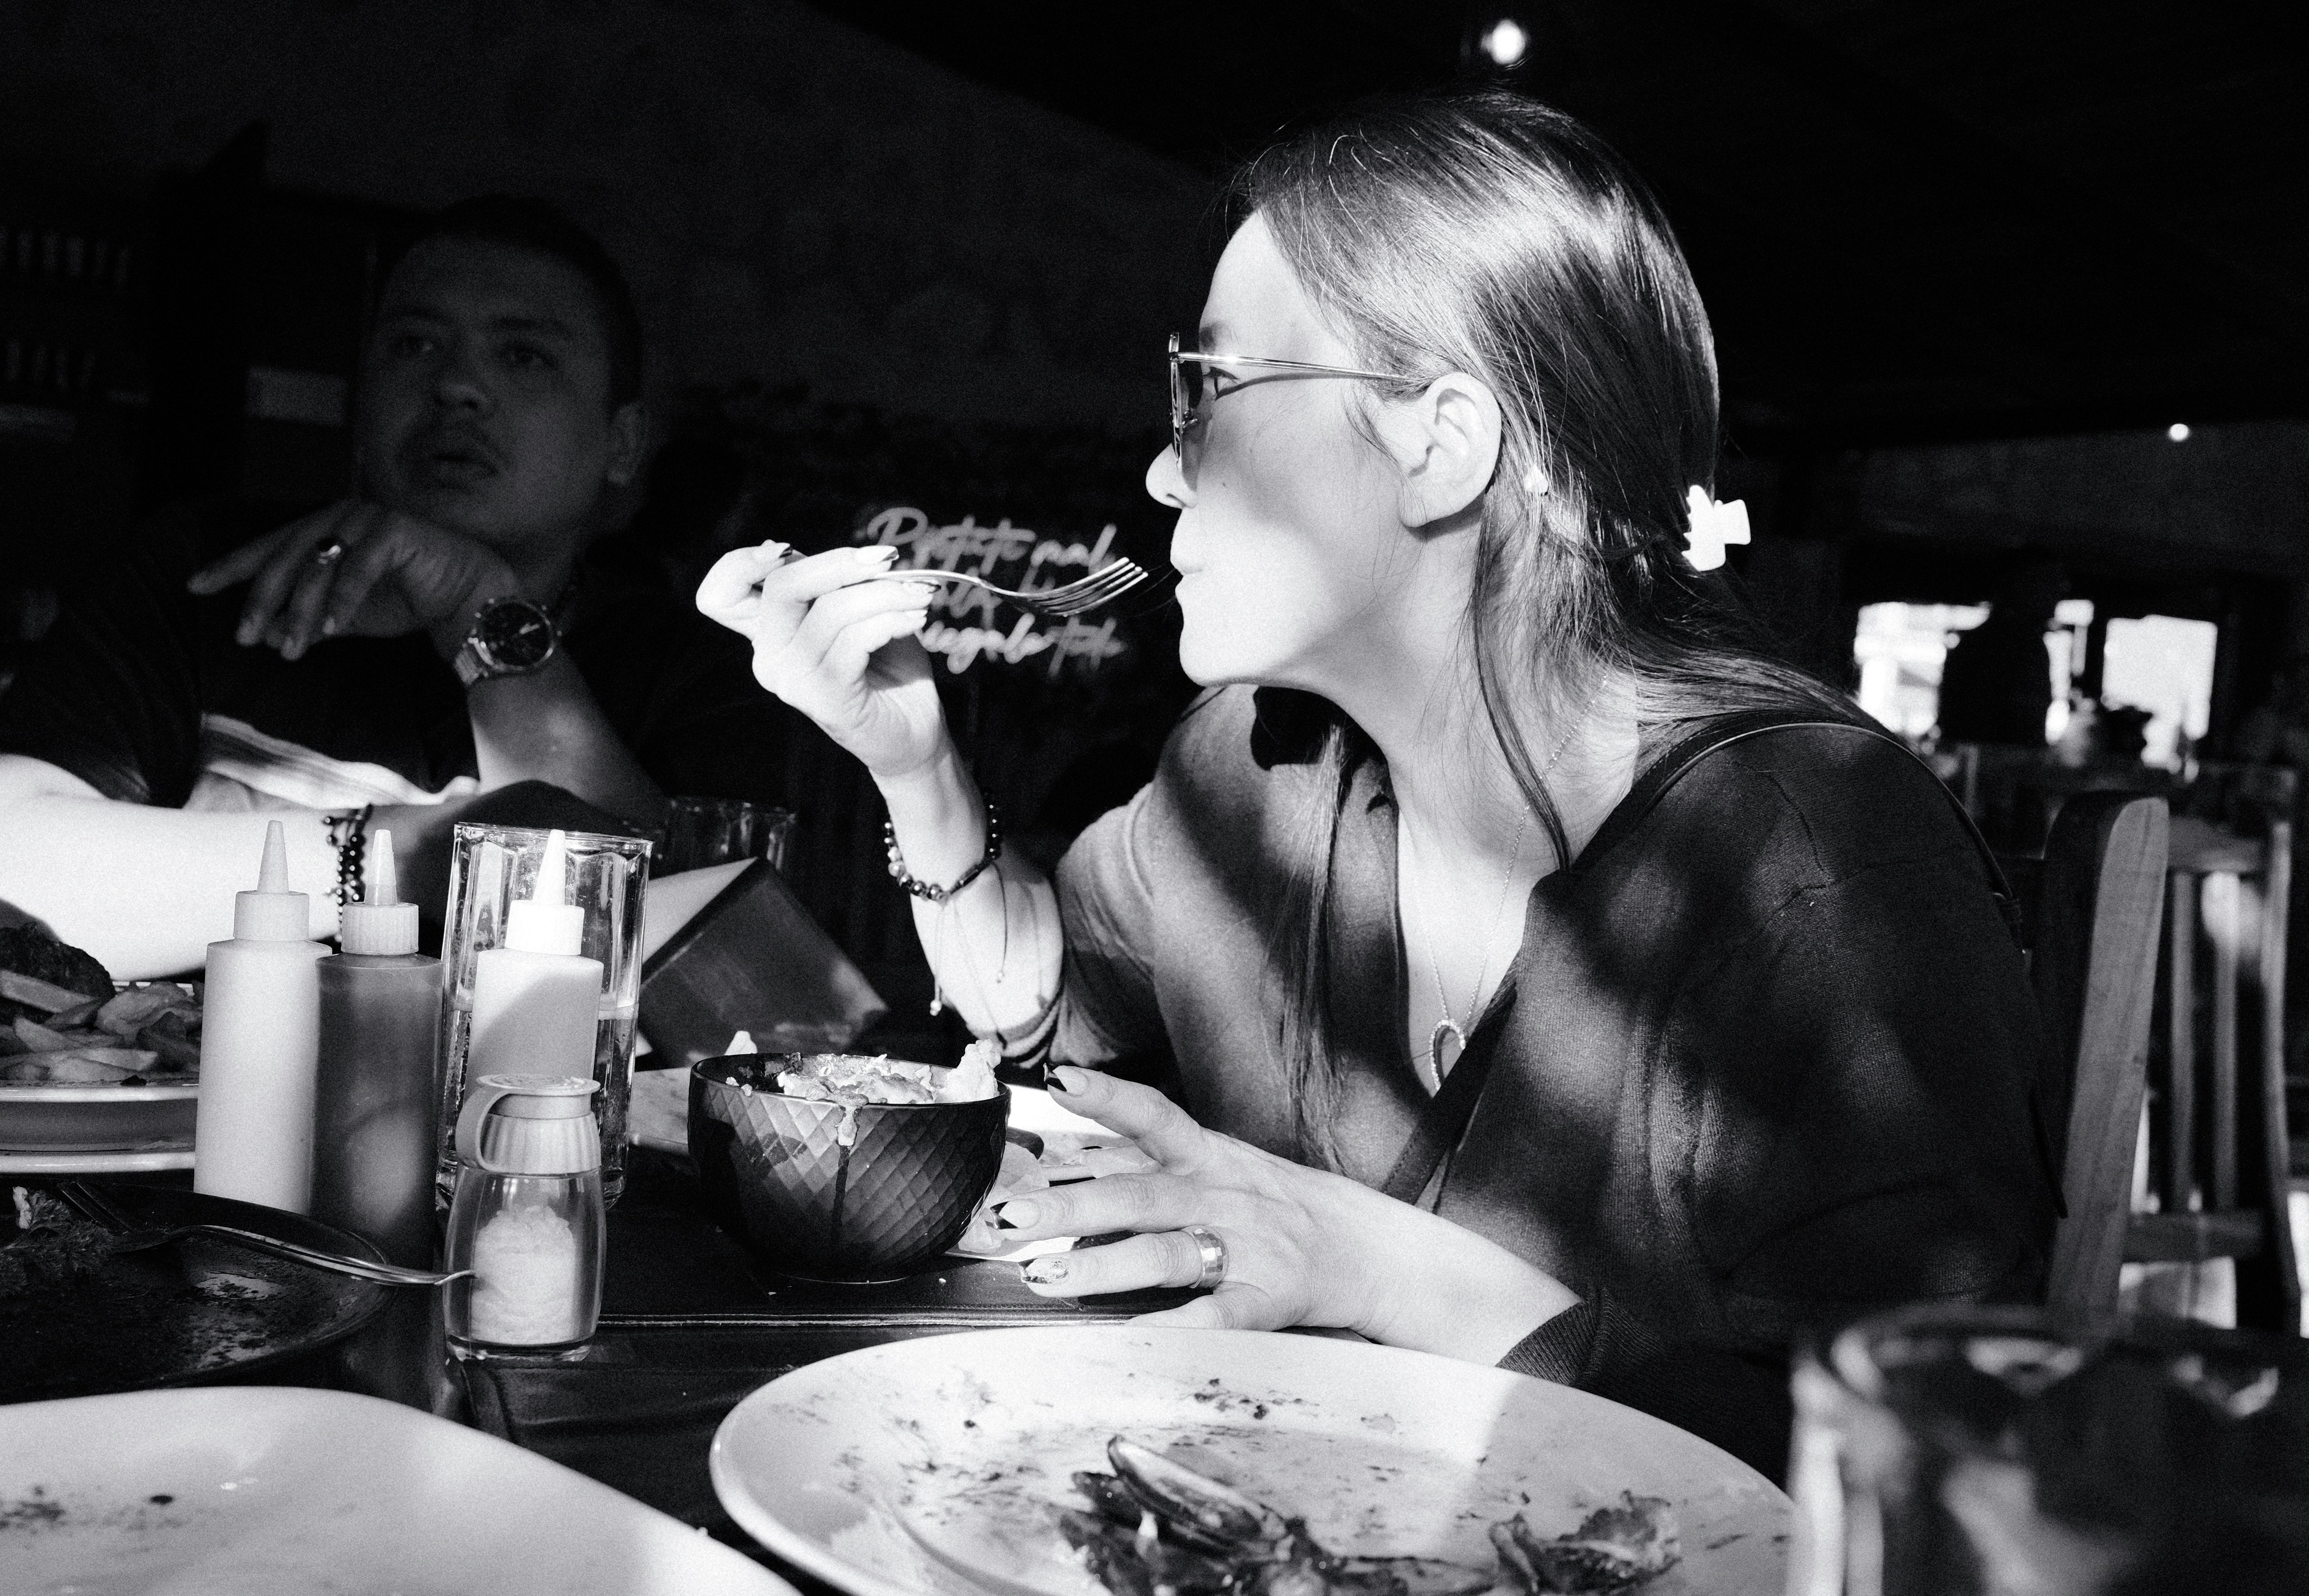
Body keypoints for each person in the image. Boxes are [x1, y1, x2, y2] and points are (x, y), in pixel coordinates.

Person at [699, 90, 2057, 1482]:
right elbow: (1054, 1014)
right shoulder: (1258, 759)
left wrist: (1375, 1269)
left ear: (1439, 442)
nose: (1166, 468)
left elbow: (1936, 1475)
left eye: (1213, 388)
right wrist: (913, 762)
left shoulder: (1815, 866)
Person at [0, 197, 791, 976]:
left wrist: (479, 606)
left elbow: (733, 999)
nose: (456, 386)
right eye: (414, 344)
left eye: (524, 355)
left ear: (622, 443)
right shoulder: (214, 573)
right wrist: (391, 860)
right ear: (362, 401)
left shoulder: (693, 675)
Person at [1935, 556, 2067, 746]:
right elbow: (2023, 725)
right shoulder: (2022, 647)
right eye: (2052, 584)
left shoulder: (1977, 643)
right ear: (2024, 589)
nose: (2059, 595)